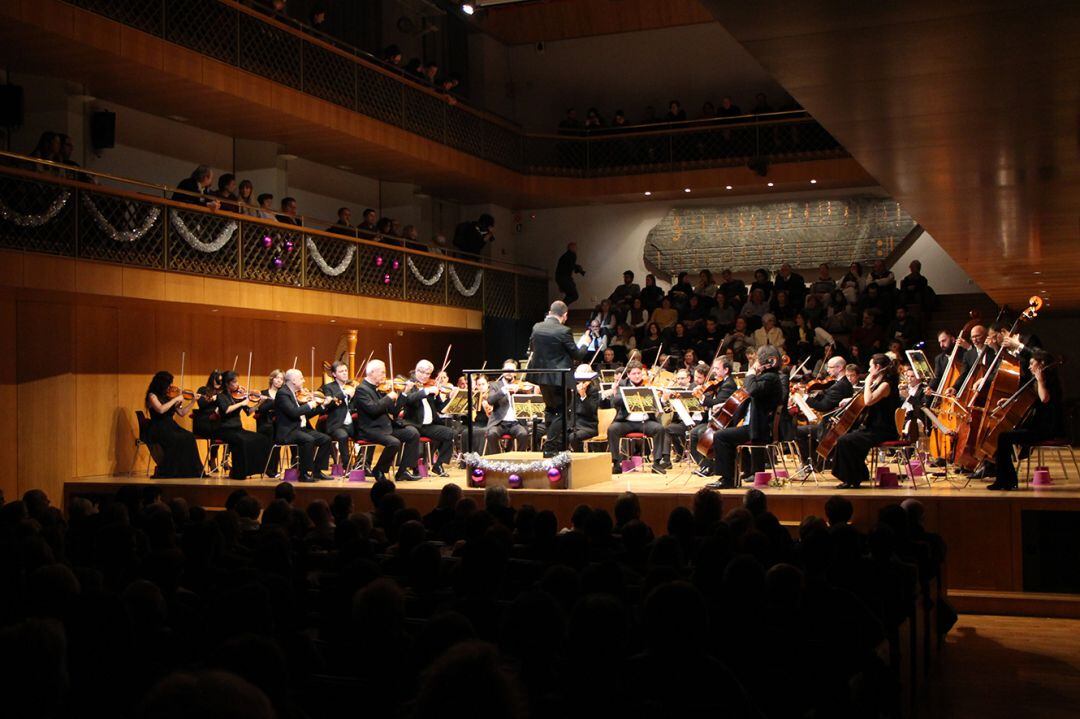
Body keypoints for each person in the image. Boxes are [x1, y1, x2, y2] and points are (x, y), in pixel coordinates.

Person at [705, 345, 785, 489]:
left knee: (721, 437)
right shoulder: (767, 377)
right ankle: (733, 477)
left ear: (768, 362)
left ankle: (728, 479)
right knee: (724, 435)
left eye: (758, 361)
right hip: (754, 426)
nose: (756, 364)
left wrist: (750, 373)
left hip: (758, 428)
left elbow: (752, 389)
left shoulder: (770, 378)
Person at [989, 349, 1063, 490]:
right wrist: (1009, 400)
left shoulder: (1050, 383)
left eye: (1032, 363)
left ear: (1041, 364)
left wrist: (1040, 380)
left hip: (1048, 429)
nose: (1029, 367)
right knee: (1003, 436)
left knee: (1004, 437)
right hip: (1036, 427)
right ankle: (1006, 480)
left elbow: (1044, 399)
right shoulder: (1035, 382)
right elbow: (1028, 401)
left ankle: (1006, 480)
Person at [526, 301, 588, 454]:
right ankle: (551, 446)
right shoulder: (564, 330)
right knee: (561, 411)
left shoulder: (537, 327)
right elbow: (577, 355)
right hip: (559, 378)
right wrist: (585, 343)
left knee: (550, 409)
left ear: (550, 312)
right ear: (565, 315)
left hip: (541, 376)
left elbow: (531, 349)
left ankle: (555, 445)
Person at [831, 354, 899, 489]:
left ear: (878, 367)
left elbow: (868, 400)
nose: (868, 370)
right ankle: (857, 476)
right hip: (873, 427)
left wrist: (867, 382)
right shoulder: (879, 382)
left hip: (883, 430)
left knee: (846, 441)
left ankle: (852, 479)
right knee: (847, 438)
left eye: (870, 367)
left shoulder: (886, 384)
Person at [354, 360, 422, 481]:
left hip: (386, 427)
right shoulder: (361, 389)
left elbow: (394, 411)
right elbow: (373, 409)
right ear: (372, 372)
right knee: (394, 442)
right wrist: (388, 397)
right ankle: (379, 470)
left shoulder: (379, 389)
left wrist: (404, 394)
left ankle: (403, 471)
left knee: (413, 433)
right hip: (371, 429)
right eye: (382, 372)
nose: (385, 375)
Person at [603, 360, 666, 474]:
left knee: (659, 429)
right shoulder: (622, 384)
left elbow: (658, 405)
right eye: (634, 373)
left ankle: (656, 463)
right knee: (612, 429)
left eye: (639, 373)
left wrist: (662, 399)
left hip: (645, 421)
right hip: (626, 422)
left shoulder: (648, 384)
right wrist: (630, 395)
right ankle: (616, 463)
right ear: (628, 375)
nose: (637, 376)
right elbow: (616, 401)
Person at [274, 369, 334, 482]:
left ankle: (317, 471)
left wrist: (322, 406)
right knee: (308, 439)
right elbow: (293, 412)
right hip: (288, 431)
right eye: (301, 378)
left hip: (300, 429)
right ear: (293, 380)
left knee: (326, 439)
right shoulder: (283, 393)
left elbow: (304, 414)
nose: (304, 380)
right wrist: (310, 404)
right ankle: (304, 474)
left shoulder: (293, 393)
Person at [144, 371, 202, 478]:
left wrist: (193, 401)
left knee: (189, 437)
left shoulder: (169, 396)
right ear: (161, 384)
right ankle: (172, 471)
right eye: (168, 384)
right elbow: (160, 410)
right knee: (177, 439)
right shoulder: (152, 396)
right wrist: (175, 399)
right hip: (158, 427)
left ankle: (190, 471)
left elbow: (181, 413)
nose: (171, 386)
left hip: (171, 426)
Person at [401, 359, 454, 476]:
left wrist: (450, 398)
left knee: (450, 433)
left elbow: (441, 408)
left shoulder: (432, 387)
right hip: (413, 424)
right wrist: (425, 391)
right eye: (422, 372)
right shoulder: (409, 384)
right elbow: (408, 400)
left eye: (428, 374)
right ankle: (413, 468)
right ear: (416, 370)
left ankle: (438, 465)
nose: (425, 376)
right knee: (413, 434)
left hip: (428, 426)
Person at [215, 371, 272, 479]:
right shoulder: (221, 396)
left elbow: (249, 412)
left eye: (237, 382)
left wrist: (260, 402)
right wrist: (241, 403)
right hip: (226, 430)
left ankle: (256, 469)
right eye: (234, 382)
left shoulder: (238, 396)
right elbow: (226, 410)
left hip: (238, 429)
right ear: (227, 383)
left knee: (261, 438)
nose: (237, 385)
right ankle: (238, 472)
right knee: (242, 441)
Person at [320, 361, 359, 469]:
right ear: (334, 374)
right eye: (341, 371)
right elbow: (329, 405)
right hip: (336, 425)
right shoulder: (328, 387)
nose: (345, 373)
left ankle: (362, 463)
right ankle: (347, 467)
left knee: (370, 433)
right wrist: (344, 394)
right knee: (343, 436)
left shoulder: (352, 387)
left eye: (346, 370)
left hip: (351, 424)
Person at [485, 361, 531, 453]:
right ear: (502, 371)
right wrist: (503, 390)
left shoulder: (520, 386)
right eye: (507, 369)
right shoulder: (495, 385)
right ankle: (497, 459)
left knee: (523, 434)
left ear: (515, 372)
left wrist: (521, 391)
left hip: (515, 423)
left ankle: (519, 461)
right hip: (499, 423)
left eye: (512, 370)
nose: (509, 372)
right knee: (491, 434)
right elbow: (490, 400)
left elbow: (528, 403)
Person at [254, 370, 285, 477]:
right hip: (265, 423)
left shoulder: (283, 394)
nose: (279, 381)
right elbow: (260, 410)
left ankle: (273, 469)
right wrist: (273, 402)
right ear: (272, 379)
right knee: (270, 431)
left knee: (277, 438)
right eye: (277, 378)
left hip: (277, 423)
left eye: (281, 379)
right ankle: (267, 468)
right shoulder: (263, 393)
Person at [569, 365, 601, 450]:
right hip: (573, 425)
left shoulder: (594, 391)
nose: (581, 383)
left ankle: (579, 457)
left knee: (573, 437)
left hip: (588, 426)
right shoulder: (572, 390)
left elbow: (591, 411)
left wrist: (583, 395)